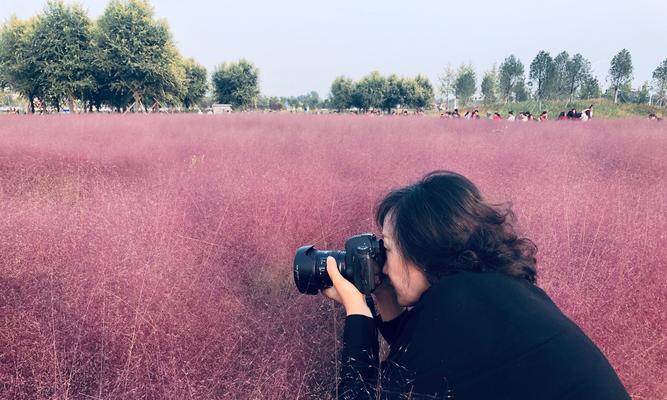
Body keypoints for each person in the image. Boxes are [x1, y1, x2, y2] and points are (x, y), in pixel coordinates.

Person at [322, 171, 630, 400]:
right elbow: (420, 356)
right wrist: (386, 301)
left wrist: (358, 313)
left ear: (422, 248)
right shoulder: (496, 292)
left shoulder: (455, 301)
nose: (384, 266)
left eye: (388, 249)